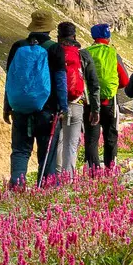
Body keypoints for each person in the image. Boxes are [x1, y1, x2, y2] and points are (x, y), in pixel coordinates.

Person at [3, 10, 58, 187]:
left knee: (20, 150)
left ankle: (18, 185)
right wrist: (62, 106)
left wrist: (7, 106)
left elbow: (11, 78)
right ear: (49, 29)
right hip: (47, 110)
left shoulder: (18, 46)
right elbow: (60, 80)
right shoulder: (54, 48)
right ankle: (46, 188)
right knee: (47, 151)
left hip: (19, 107)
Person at [81, 23, 130, 170]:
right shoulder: (114, 53)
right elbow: (125, 80)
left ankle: (93, 171)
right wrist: (113, 88)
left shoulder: (85, 53)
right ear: (108, 37)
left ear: (93, 36)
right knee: (111, 136)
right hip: (110, 101)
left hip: (90, 102)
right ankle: (110, 168)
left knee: (91, 138)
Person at [42, 21, 86, 182]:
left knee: (57, 141)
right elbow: (91, 81)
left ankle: (57, 176)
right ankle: (69, 178)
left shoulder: (53, 51)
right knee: (71, 144)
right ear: (74, 36)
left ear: (58, 36)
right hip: (76, 103)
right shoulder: (80, 54)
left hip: (56, 104)